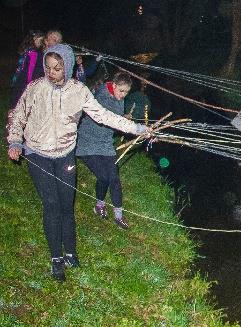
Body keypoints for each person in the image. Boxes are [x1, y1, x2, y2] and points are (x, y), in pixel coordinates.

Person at [6, 44, 150, 281]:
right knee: (51, 206)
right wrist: (14, 141)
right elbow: (18, 115)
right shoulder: (35, 88)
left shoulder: (79, 91)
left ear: (68, 67)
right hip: (37, 154)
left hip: (65, 155)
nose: (51, 72)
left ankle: (71, 251)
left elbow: (104, 116)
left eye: (57, 68)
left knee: (66, 205)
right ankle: (56, 258)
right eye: (48, 67)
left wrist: (137, 128)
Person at [76, 72, 134, 230]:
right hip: (87, 142)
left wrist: (123, 118)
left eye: (126, 92)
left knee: (114, 178)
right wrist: (126, 123)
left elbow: (116, 122)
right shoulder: (101, 96)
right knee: (103, 177)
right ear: (113, 85)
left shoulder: (118, 98)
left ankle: (119, 216)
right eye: (121, 91)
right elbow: (109, 119)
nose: (123, 95)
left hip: (105, 143)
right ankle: (99, 205)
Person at [10, 30, 45, 108]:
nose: (41, 43)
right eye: (40, 41)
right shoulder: (34, 53)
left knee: (17, 102)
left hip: (19, 79)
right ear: (35, 39)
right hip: (25, 81)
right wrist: (29, 83)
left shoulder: (26, 50)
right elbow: (31, 69)